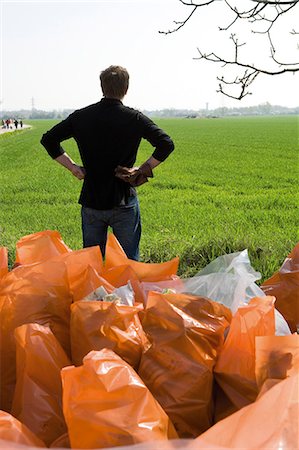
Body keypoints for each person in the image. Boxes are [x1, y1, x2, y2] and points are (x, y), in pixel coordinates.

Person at [40, 65, 174, 260]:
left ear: (102, 87)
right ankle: (125, 291)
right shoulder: (134, 118)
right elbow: (166, 143)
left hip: (92, 200)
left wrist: (73, 168)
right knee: (128, 263)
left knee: (92, 263)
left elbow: (49, 139)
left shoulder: (80, 117)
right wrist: (143, 169)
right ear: (126, 88)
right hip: (124, 200)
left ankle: (96, 291)